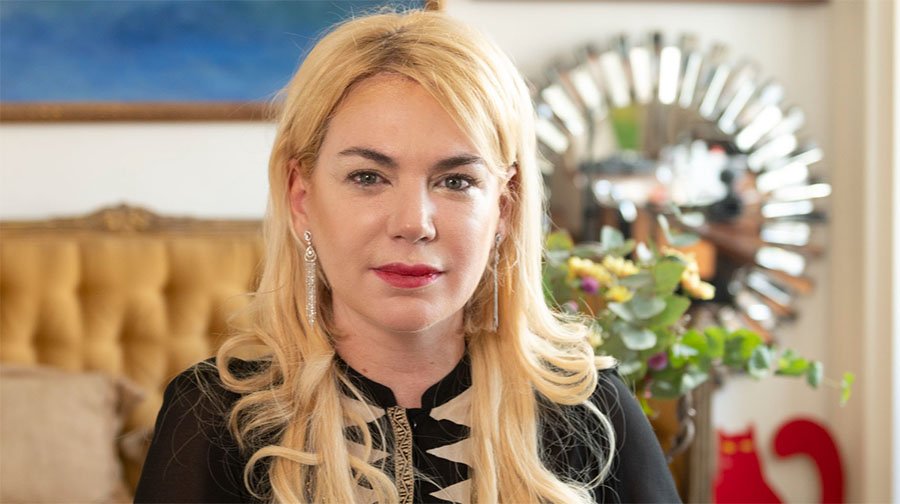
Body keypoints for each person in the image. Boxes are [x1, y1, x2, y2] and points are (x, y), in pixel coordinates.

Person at [134, 9, 680, 504]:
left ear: (504, 206)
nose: (414, 223)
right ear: (302, 198)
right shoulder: (214, 416)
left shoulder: (593, 411)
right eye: (368, 177)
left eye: (456, 180)